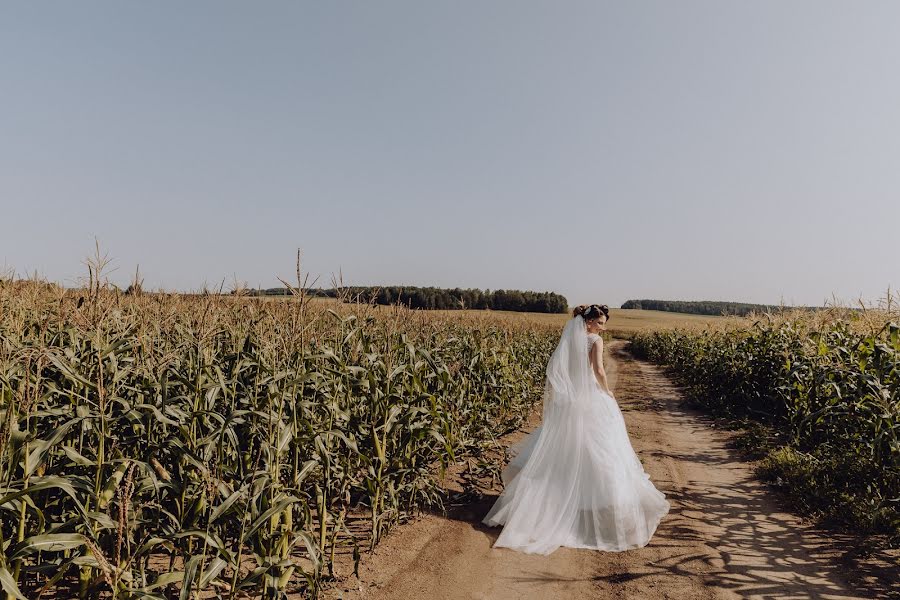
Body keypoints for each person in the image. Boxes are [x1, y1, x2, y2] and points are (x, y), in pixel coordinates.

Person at [481, 304, 670, 555]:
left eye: (603, 323)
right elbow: (599, 371)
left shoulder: (569, 339)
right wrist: (607, 391)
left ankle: (551, 501)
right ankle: (594, 505)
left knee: (566, 447)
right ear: (590, 322)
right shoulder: (595, 341)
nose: (603, 327)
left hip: (570, 401)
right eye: (600, 322)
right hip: (591, 396)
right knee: (600, 449)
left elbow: (562, 370)